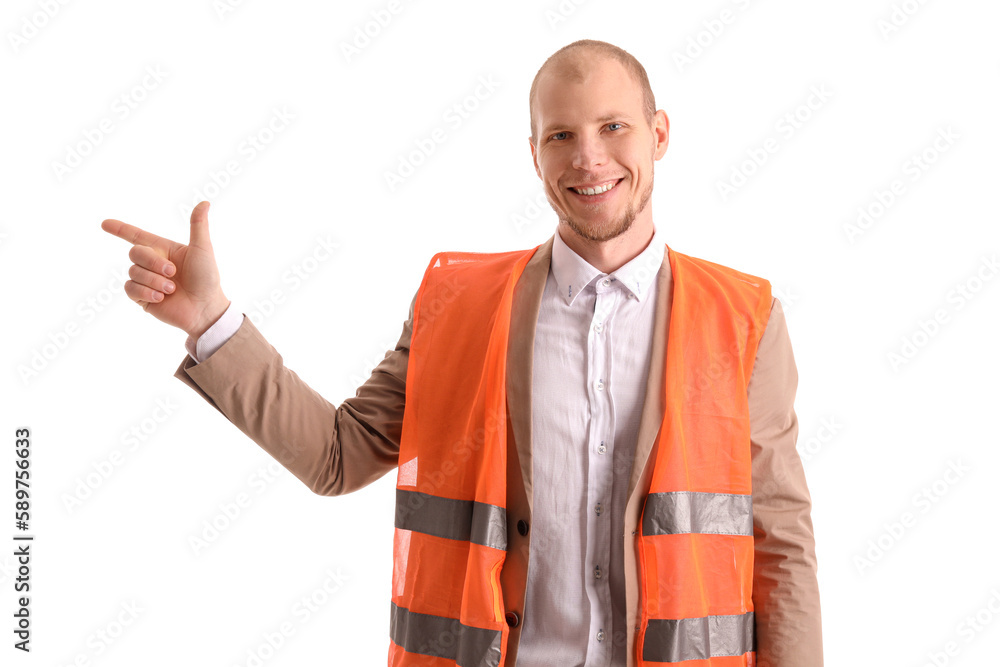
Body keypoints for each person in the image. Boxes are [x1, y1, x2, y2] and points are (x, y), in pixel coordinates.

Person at [102, 39, 822, 667]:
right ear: (534, 154)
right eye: (561, 135)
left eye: (613, 127)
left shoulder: (745, 318)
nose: (589, 157)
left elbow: (780, 539)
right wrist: (212, 321)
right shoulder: (460, 304)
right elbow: (339, 455)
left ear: (659, 134)